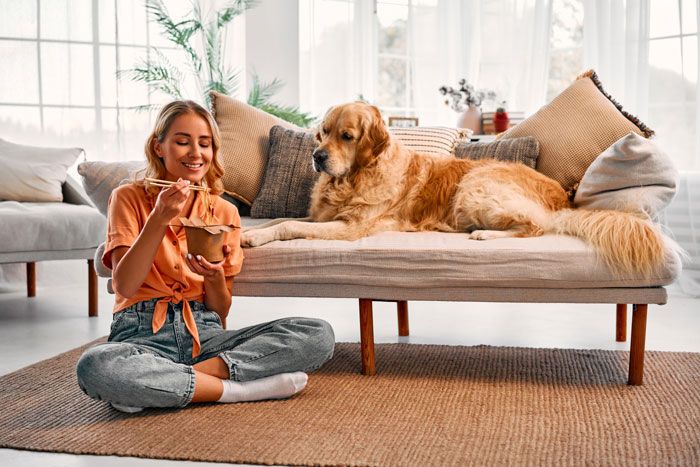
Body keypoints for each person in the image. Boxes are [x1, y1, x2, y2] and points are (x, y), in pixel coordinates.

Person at [76, 100, 335, 413]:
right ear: (159, 147)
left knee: (318, 334)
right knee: (95, 365)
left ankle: (170, 385)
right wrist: (159, 218)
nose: (196, 153)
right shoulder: (128, 197)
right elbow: (125, 286)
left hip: (207, 336)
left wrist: (213, 276)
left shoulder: (223, 211)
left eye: (205, 144)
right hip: (141, 335)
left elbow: (221, 308)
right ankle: (235, 390)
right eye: (182, 142)